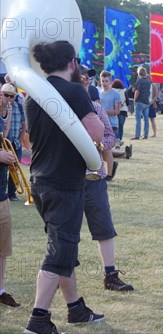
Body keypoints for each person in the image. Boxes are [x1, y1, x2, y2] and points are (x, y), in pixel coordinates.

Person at [24, 41, 105, 334]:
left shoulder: (33, 95)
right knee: (60, 251)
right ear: (72, 63)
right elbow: (96, 133)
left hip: (40, 180)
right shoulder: (74, 91)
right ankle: (38, 319)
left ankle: (75, 309)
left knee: (64, 246)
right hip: (65, 182)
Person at [84, 100, 135, 292]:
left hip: (94, 177)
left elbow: (110, 137)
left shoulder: (95, 108)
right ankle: (58, 274)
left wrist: (95, 144)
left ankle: (110, 275)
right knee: (64, 232)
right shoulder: (59, 107)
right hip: (67, 177)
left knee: (104, 227)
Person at [0, 92, 20, 308]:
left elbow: (4, 137)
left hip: (2, 194)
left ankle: (1, 290)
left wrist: (8, 112)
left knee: (2, 248)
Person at [0, 83, 26, 201]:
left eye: (12, 96)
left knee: (13, 170)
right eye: (6, 95)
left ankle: (11, 193)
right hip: (3, 147)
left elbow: (23, 125)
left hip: (12, 144)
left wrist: (20, 140)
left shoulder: (15, 107)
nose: (9, 98)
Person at [99, 71, 121, 180]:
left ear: (110, 81)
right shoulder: (99, 93)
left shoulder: (115, 94)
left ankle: (109, 174)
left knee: (106, 149)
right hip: (100, 124)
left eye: (106, 81)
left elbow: (117, 111)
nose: (104, 83)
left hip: (111, 124)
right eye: (102, 81)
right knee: (101, 150)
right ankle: (111, 166)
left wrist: (103, 112)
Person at [131, 67, 151, 140]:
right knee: (146, 119)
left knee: (138, 120)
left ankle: (137, 135)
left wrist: (134, 99)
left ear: (139, 73)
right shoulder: (148, 81)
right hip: (146, 101)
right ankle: (145, 135)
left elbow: (137, 91)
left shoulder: (139, 80)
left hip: (139, 101)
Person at [111, 78, 129, 144]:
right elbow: (127, 102)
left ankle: (114, 139)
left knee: (115, 126)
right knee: (121, 126)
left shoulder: (111, 91)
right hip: (122, 110)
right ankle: (120, 139)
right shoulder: (124, 91)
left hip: (114, 110)